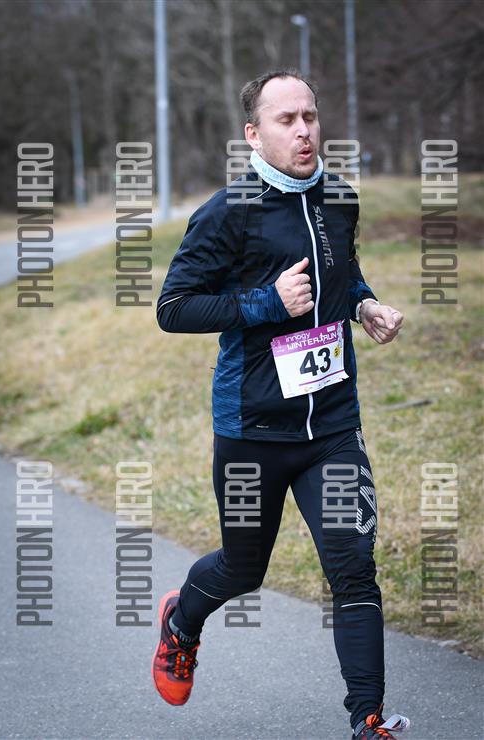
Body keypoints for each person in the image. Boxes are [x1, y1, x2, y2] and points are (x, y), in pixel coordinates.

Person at [152, 69, 410, 740]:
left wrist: (363, 304)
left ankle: (368, 720)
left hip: (332, 425)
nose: (303, 131)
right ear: (253, 133)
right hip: (252, 429)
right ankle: (182, 621)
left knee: (353, 571)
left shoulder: (339, 198)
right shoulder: (227, 212)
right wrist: (266, 303)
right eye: (286, 120)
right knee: (243, 568)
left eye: (309, 116)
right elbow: (173, 308)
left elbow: (340, 271)